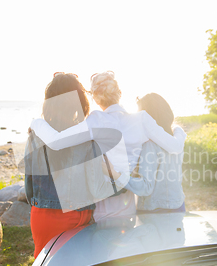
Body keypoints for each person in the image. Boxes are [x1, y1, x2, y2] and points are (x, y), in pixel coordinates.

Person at [30, 71, 187, 221]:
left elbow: (56, 142)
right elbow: (175, 147)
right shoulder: (142, 119)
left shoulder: (96, 120)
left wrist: (36, 122)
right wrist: (179, 130)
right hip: (127, 198)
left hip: (102, 202)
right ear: (119, 92)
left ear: (96, 99)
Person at [24, 73, 116, 258]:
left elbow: (29, 185)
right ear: (80, 101)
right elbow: (96, 188)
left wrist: (40, 204)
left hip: (42, 216)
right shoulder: (86, 138)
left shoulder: (35, 135)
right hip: (77, 217)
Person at [104, 93, 186, 213]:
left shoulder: (149, 145)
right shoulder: (176, 138)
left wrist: (116, 175)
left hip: (155, 211)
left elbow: (145, 188)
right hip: (178, 205)